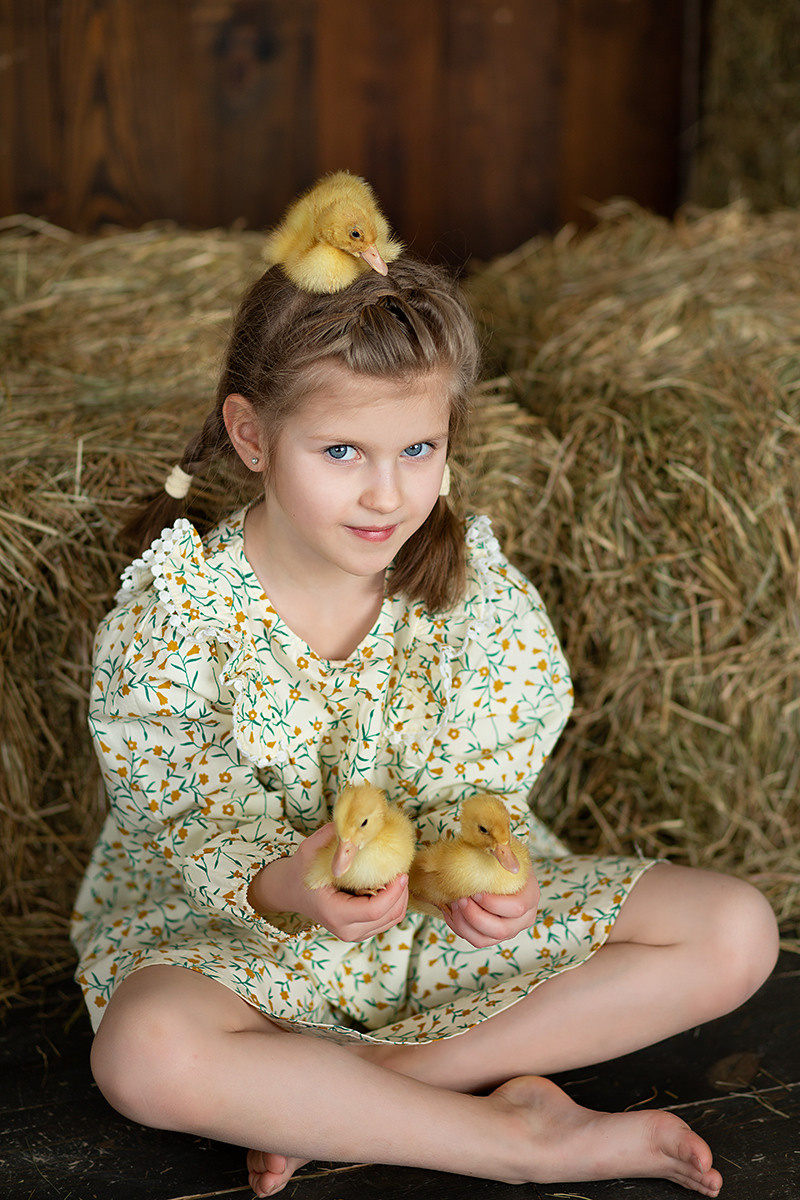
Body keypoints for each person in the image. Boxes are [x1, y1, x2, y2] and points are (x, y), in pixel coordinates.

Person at [72, 249, 778, 1200]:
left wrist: (490, 889)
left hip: (434, 937)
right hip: (245, 939)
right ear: (250, 435)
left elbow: (477, 801)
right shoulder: (176, 612)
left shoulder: (475, 597)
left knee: (736, 930)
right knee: (145, 1054)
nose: (387, 495)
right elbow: (181, 801)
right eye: (341, 453)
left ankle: (355, 1095)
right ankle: (520, 1140)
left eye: (419, 450)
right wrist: (290, 883)